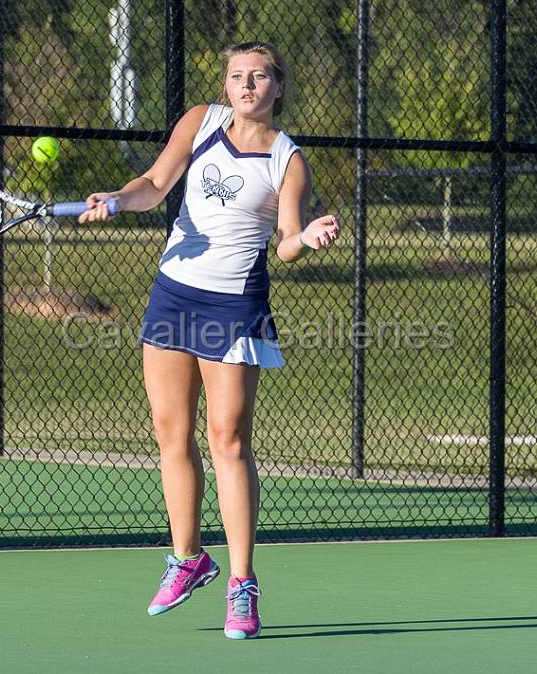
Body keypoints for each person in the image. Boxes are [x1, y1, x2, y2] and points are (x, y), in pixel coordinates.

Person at [78, 41, 340, 640]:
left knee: (228, 439)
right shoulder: (200, 122)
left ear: (278, 87)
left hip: (234, 306)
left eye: (259, 76)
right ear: (225, 85)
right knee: (172, 435)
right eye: (236, 76)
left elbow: (286, 241)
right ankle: (188, 557)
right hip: (174, 293)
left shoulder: (287, 160)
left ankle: (242, 585)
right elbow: (153, 182)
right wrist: (118, 200)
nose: (246, 85)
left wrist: (311, 238)